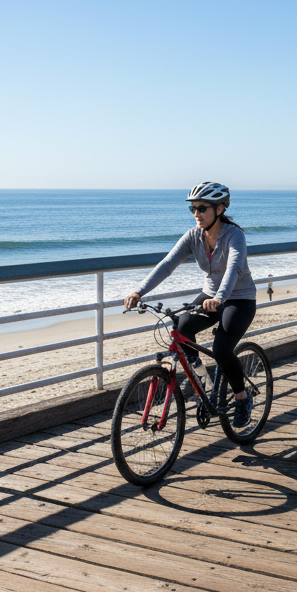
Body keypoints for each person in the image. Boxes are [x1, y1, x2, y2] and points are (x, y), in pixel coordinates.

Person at [124, 182, 257, 428]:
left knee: (221, 350)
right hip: (209, 296)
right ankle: (202, 380)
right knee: (182, 325)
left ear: (219, 209)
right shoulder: (193, 236)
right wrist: (139, 291)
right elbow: (167, 264)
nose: (197, 213)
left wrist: (220, 298)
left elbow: (234, 268)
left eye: (202, 208)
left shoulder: (234, 235)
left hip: (239, 298)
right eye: (193, 208)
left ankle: (242, 397)